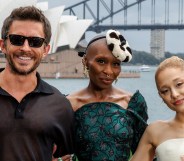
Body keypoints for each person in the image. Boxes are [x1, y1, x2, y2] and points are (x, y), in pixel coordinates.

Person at [60, 29, 148, 161]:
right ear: (85, 61)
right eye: (101, 61)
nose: (108, 71)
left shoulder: (133, 104)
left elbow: (145, 151)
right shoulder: (68, 104)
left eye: (116, 64)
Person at [0, 6, 74, 161]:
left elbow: (65, 156)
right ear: (3, 45)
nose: (25, 48)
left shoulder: (60, 105)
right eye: (17, 39)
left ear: (46, 49)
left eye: (35, 42)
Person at [130, 56, 184, 161]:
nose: (174, 94)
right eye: (165, 91)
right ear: (161, 96)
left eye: (179, 84)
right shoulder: (155, 130)